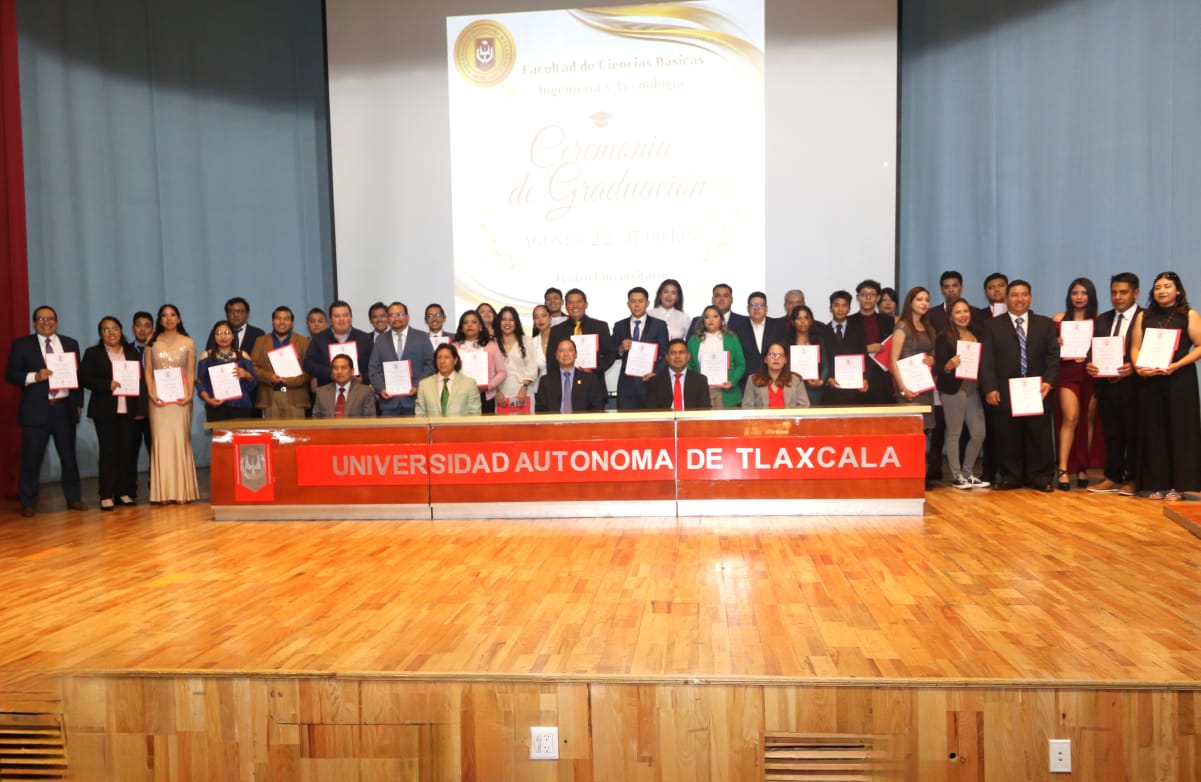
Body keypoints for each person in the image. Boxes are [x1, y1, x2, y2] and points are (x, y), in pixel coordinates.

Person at [5, 306, 86, 516]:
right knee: (31, 459)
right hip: (36, 411)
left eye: (50, 319)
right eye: (41, 319)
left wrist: (78, 404)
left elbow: (78, 376)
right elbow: (11, 373)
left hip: (64, 409)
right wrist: (35, 376)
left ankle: (74, 498)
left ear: (56, 322)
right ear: (34, 323)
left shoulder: (70, 343)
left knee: (69, 458)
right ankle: (28, 502)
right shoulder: (22, 345)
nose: (46, 322)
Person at [980, 280, 1060, 491]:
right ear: (1007, 299)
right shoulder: (992, 325)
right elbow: (986, 358)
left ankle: (1041, 477)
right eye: (1014, 295)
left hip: (1038, 390)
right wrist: (990, 387)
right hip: (1005, 390)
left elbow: (1053, 356)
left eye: (1024, 294)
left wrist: (1049, 381)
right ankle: (1010, 476)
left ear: (1030, 298)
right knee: (1007, 436)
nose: (1019, 299)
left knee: (1039, 435)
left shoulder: (1045, 324)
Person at [1129, 271, 1201, 500]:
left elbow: (1200, 346)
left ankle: (1179, 487)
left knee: (1181, 430)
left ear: (1177, 290)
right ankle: (1157, 484)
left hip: (1180, 378)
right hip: (1151, 380)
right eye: (1158, 287)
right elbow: (1135, 347)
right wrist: (1138, 367)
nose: (1162, 291)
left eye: (1167, 286)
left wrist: (1177, 364)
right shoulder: (1144, 316)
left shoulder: (1189, 315)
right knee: (1154, 431)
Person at [80, 316, 147, 509]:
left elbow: (141, 381)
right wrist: (106, 384)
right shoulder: (93, 353)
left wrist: (140, 409)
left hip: (129, 410)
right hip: (105, 411)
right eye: (106, 329)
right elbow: (84, 378)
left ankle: (124, 492)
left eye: (114, 328)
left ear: (121, 330)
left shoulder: (132, 352)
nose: (111, 333)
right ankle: (106, 494)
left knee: (127, 452)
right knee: (108, 452)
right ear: (100, 333)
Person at [1086, 273, 1141, 495]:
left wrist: (1134, 367)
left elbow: (1149, 351)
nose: (1117, 297)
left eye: (1123, 292)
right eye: (1114, 292)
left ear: (1135, 293)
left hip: (1135, 387)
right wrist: (1090, 364)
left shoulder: (1145, 318)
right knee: (1111, 434)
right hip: (1106, 387)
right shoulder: (1103, 319)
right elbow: (1093, 349)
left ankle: (1134, 479)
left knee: (1134, 435)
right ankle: (1112, 477)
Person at [143, 304, 199, 503]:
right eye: (164, 316)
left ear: (179, 318)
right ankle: (163, 494)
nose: (169, 319)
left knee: (180, 440)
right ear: (160, 320)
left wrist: (189, 394)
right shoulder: (152, 341)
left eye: (172, 315)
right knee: (161, 442)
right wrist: (151, 393)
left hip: (181, 398)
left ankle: (183, 492)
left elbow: (191, 372)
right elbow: (148, 370)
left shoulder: (188, 342)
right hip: (158, 398)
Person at [1051, 277, 1102, 490]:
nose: (1079, 297)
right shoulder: (1059, 319)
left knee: (1087, 420)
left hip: (1091, 373)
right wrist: (1057, 342)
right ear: (1069, 296)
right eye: (1075, 293)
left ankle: (1082, 467)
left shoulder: (1099, 320)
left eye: (1083, 293)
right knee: (1070, 417)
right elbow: (1049, 349)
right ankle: (1063, 468)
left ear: (1090, 296)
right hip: (1067, 373)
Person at [934, 299, 989, 489]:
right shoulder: (944, 337)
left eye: (966, 311)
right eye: (958, 312)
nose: (963, 315)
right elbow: (939, 366)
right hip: (953, 389)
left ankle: (968, 473)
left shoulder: (976, 334)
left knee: (979, 433)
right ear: (951, 316)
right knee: (954, 433)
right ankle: (957, 476)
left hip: (973, 388)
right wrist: (948, 366)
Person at [889, 287, 937, 465]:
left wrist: (932, 360)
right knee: (910, 429)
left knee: (924, 430)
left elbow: (932, 355)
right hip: (908, 387)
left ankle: (920, 471)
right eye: (919, 299)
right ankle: (909, 470)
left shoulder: (929, 328)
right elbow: (893, 360)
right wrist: (903, 388)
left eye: (927, 300)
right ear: (910, 303)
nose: (924, 303)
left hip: (925, 386)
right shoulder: (902, 326)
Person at [367, 301, 434, 416]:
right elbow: (373, 369)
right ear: (388, 319)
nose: (396, 318)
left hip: (415, 401)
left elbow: (431, 365)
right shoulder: (380, 340)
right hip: (389, 403)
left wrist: (417, 385)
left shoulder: (421, 337)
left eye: (400, 314)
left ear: (407, 317)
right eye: (392, 315)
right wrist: (381, 388)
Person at [547, 288, 616, 396]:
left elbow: (610, 354)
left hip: (594, 384)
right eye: (571, 302)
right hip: (564, 386)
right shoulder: (557, 330)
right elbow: (551, 359)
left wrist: (594, 370)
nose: (575, 306)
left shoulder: (600, 326)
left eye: (578, 302)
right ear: (566, 306)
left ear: (586, 304)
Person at [612, 287, 669, 410]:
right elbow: (612, 352)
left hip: (651, 383)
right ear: (628, 304)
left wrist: (656, 373)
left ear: (647, 303)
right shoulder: (619, 326)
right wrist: (620, 349)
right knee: (626, 420)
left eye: (640, 301)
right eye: (633, 301)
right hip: (626, 386)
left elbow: (666, 354)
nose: (637, 305)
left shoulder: (659, 325)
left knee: (652, 420)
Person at [249, 306, 311, 419]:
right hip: (270, 396)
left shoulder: (303, 342)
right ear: (273, 321)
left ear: (292, 323)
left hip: (295, 397)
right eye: (278, 318)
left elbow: (309, 370)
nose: (282, 322)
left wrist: (290, 380)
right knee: (272, 430)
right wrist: (270, 377)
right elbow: (253, 367)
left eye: (286, 319)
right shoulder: (260, 341)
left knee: (295, 430)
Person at [196, 319, 258, 422]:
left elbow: (253, 384)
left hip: (241, 406)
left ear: (233, 336)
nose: (223, 336)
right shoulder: (206, 356)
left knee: (240, 433)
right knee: (219, 433)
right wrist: (208, 400)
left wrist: (247, 375)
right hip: (216, 406)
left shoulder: (243, 355)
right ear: (214, 337)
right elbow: (200, 382)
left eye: (227, 333)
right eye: (219, 333)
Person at [303, 300, 374, 387]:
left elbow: (375, 367)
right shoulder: (319, 339)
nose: (341, 319)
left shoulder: (365, 338)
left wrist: (363, 378)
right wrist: (330, 373)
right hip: (328, 390)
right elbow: (308, 364)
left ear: (351, 318)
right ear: (330, 319)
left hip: (358, 390)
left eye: (345, 315)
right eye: (337, 316)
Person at [686, 305, 746, 409]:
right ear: (703, 320)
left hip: (727, 392)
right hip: (702, 392)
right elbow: (688, 365)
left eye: (715, 316)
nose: (711, 320)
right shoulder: (694, 340)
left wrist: (733, 381)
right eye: (707, 317)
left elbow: (741, 364)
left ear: (721, 320)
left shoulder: (732, 338)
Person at [849, 279, 896, 404]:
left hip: (883, 379)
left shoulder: (888, 321)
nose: (868, 298)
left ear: (878, 298)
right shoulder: (849, 322)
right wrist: (865, 349)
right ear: (858, 298)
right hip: (858, 376)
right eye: (864, 294)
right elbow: (845, 349)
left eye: (872, 294)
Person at [821, 290, 870, 406]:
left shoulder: (858, 331)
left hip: (854, 391)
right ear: (830, 308)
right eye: (836, 305)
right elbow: (822, 360)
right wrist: (828, 379)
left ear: (849, 309)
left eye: (844, 306)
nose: (840, 309)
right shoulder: (822, 332)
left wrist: (865, 379)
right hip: (831, 391)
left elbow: (864, 356)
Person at [453, 309, 507, 413]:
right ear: (461, 328)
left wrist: (488, 386)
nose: (469, 325)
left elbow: (502, 372)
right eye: (466, 322)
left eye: (474, 322)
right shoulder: (454, 347)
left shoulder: (491, 346)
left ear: (481, 327)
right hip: (459, 396)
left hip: (485, 396)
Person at [534, 338, 606, 413]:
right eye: (561, 351)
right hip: (554, 420)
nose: (566, 354)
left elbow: (597, 408)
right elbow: (540, 410)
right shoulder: (546, 381)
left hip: (581, 420)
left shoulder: (590, 380)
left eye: (570, 350)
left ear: (575, 355)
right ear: (556, 356)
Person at [129, 310, 155, 498]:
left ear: (152, 329)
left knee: (156, 450)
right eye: (139, 325)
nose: (143, 329)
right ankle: (129, 489)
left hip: (156, 408)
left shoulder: (159, 351)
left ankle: (157, 487)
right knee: (130, 451)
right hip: (133, 409)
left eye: (147, 326)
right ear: (133, 328)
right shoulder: (125, 351)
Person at [416, 343, 483, 417]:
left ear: (455, 360)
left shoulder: (469, 384)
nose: (442, 361)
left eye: (446, 357)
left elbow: (475, 414)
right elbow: (420, 415)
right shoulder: (424, 385)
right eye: (439, 358)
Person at [644, 338, 712, 410]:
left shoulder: (700, 381)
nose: (677, 357)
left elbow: (704, 409)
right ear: (667, 357)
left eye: (681, 352)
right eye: (673, 353)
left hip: (691, 417)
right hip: (665, 417)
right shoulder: (655, 381)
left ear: (688, 356)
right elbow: (651, 410)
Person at [494, 305, 540, 411]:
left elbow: (532, 367)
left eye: (511, 320)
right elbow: (490, 371)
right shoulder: (493, 343)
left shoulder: (527, 341)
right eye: (504, 319)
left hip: (523, 392)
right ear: (499, 322)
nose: (507, 323)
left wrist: (524, 387)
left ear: (516, 322)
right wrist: (496, 392)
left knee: (524, 421)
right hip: (501, 394)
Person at [734, 291, 786, 383]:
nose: (757, 308)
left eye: (761, 305)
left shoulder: (778, 327)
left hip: (774, 381)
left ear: (766, 308)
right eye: (753, 305)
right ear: (748, 308)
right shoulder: (738, 330)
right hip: (747, 381)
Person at [741, 342, 810, 409]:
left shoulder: (796, 380)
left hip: (789, 417)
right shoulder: (753, 380)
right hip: (762, 417)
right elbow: (747, 406)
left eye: (780, 355)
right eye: (772, 355)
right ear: (765, 359)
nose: (776, 358)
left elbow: (804, 405)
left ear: (785, 360)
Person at [786, 304, 827, 405]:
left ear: (811, 321)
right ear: (793, 322)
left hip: (814, 389)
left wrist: (821, 381)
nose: (803, 321)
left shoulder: (819, 341)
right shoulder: (786, 343)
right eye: (799, 318)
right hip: (791, 388)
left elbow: (826, 365)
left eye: (806, 318)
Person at [312, 354, 376, 418]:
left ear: (352, 371)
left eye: (343, 368)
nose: (339, 371)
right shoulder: (321, 393)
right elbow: (315, 419)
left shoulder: (365, 392)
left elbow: (370, 419)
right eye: (335, 368)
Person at [531, 304, 553, 380]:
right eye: (536, 317)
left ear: (550, 318)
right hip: (539, 383)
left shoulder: (560, 338)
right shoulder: (532, 343)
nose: (540, 320)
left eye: (543, 315)